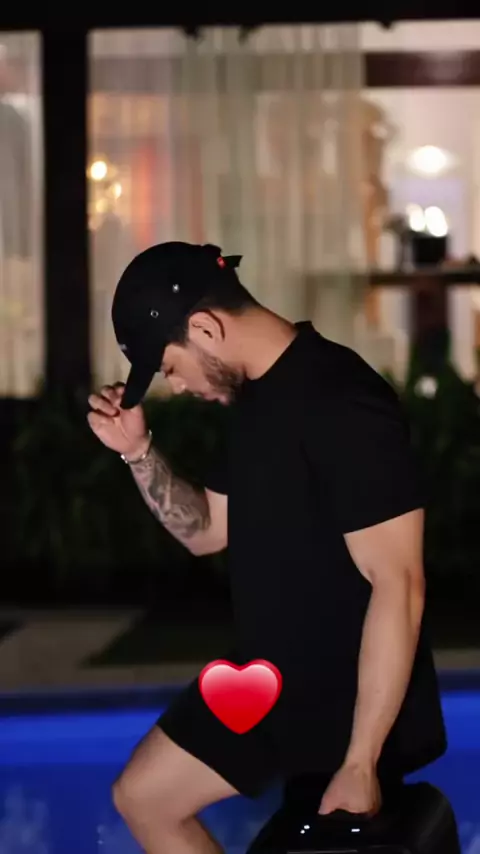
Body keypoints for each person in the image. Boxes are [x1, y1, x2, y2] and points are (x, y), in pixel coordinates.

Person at [87, 241, 447, 854]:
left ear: (206, 328)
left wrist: (360, 760)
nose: (176, 385)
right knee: (143, 797)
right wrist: (138, 453)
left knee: (150, 797)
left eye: (170, 367)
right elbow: (206, 532)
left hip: (342, 690)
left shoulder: (343, 399)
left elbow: (399, 583)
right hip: (268, 677)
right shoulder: (255, 399)